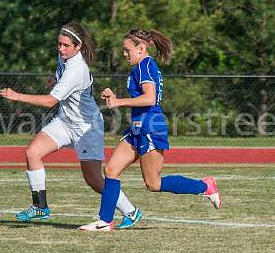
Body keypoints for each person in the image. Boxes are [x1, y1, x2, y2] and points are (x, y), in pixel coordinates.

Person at [0, 22, 142, 228]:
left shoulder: (77, 68)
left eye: (66, 45)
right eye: (59, 44)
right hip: (65, 121)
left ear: (78, 46)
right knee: (32, 153)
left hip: (86, 127)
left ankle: (131, 211)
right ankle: (40, 207)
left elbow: (50, 101)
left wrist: (16, 96)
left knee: (94, 180)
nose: (61, 49)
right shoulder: (65, 57)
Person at [78, 28, 221, 232]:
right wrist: (114, 96)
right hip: (138, 128)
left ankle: (205, 186)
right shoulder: (141, 67)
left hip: (150, 129)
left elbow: (149, 98)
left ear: (141, 48)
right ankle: (105, 222)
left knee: (153, 184)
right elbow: (142, 98)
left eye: (127, 50)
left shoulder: (145, 65)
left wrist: (118, 101)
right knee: (111, 170)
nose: (125, 54)